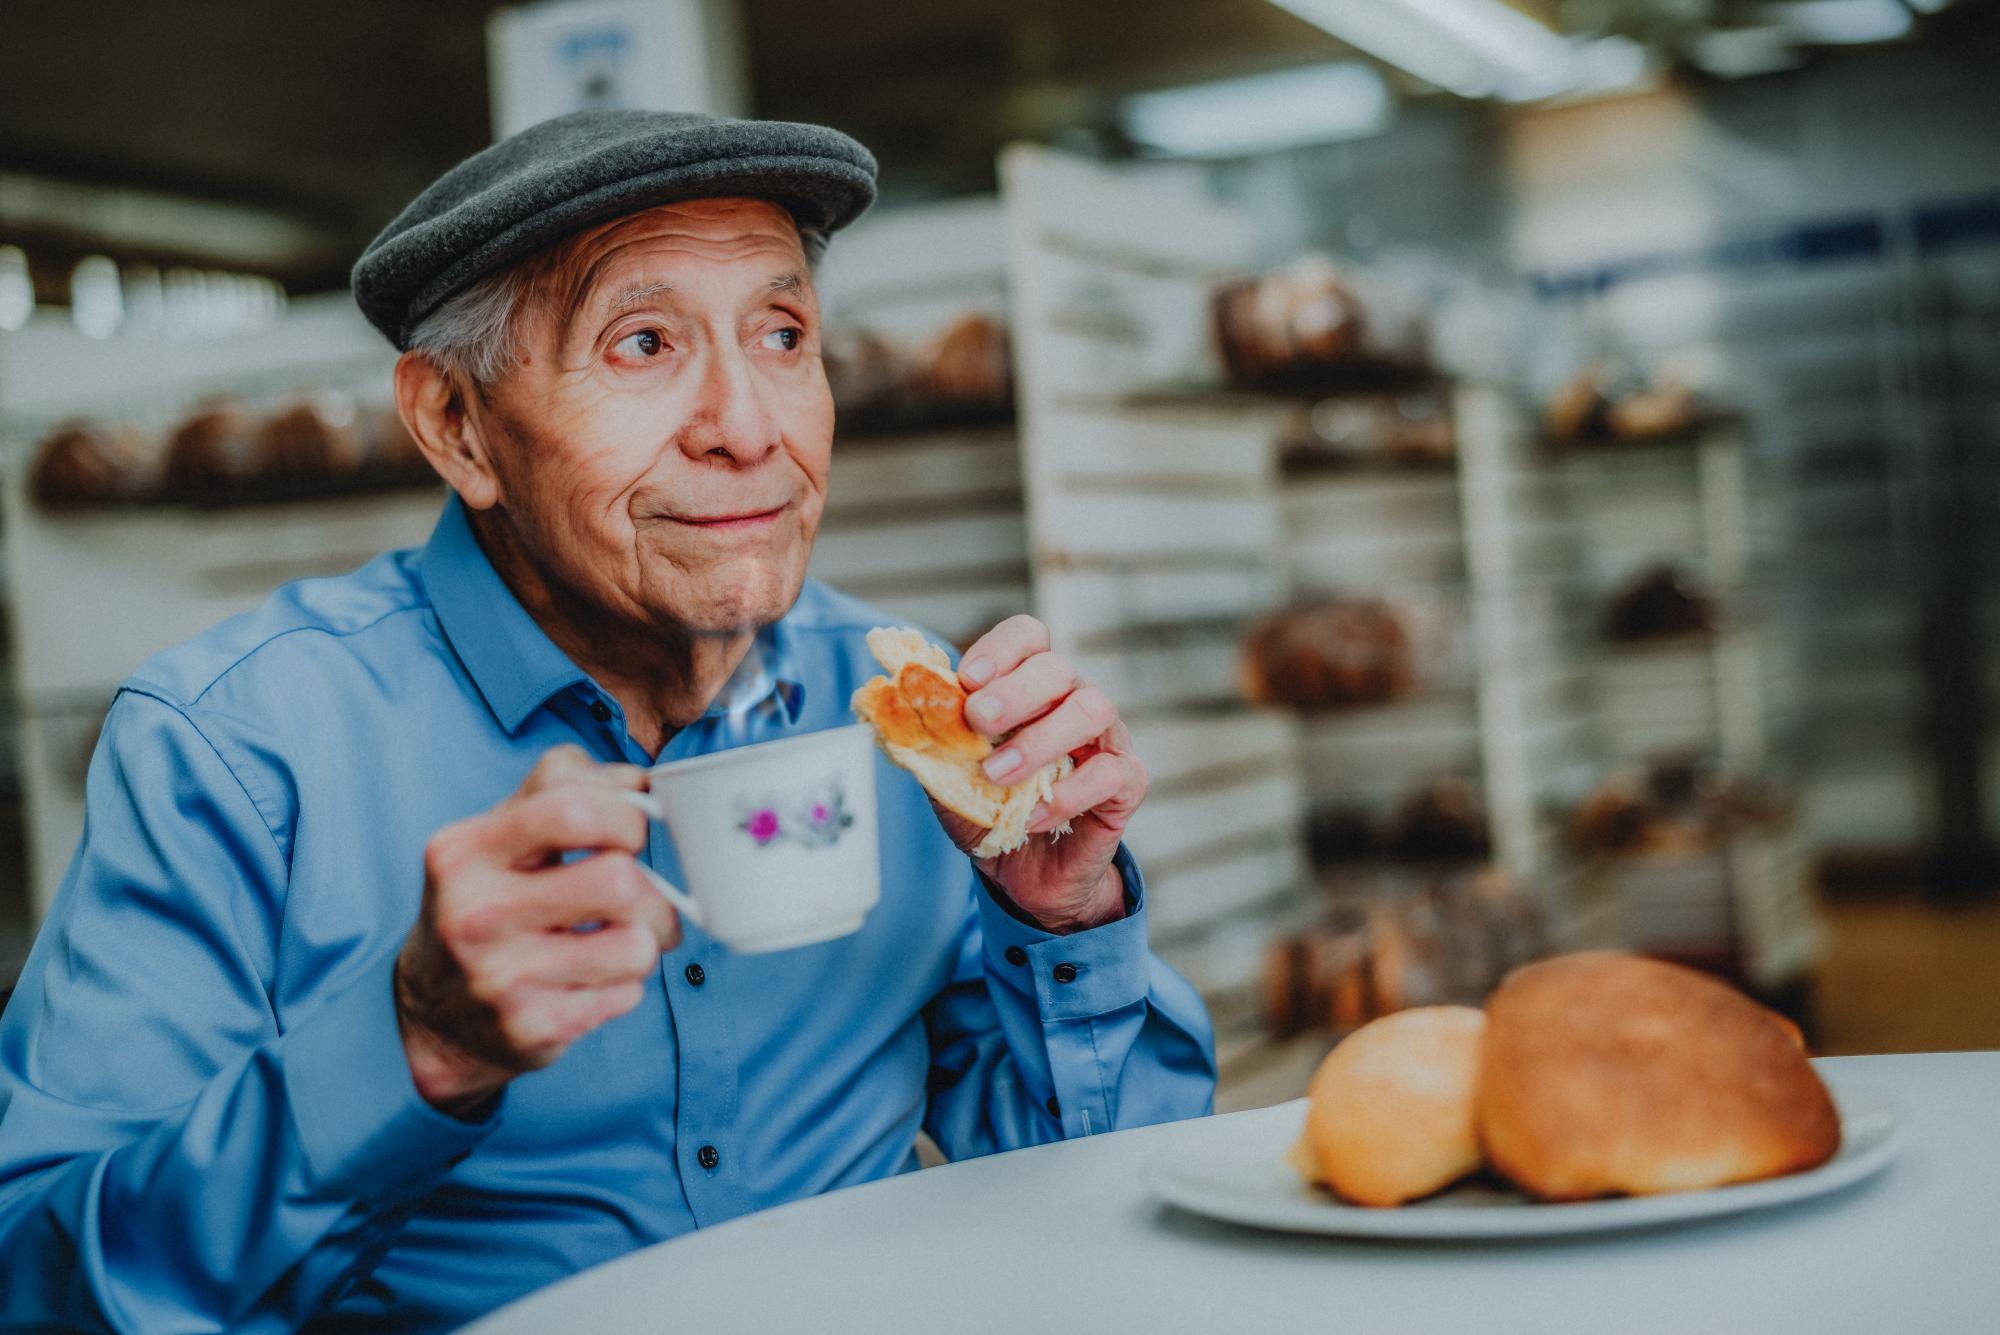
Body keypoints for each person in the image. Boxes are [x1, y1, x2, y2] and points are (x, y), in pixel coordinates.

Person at [0, 109, 1215, 1332]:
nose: (749, 428)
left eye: (782, 335)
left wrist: (1058, 920)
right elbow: (44, 1289)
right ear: (456, 425)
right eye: (643, 344)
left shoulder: (909, 718)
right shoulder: (236, 752)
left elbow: (1111, 1195)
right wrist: (415, 1046)